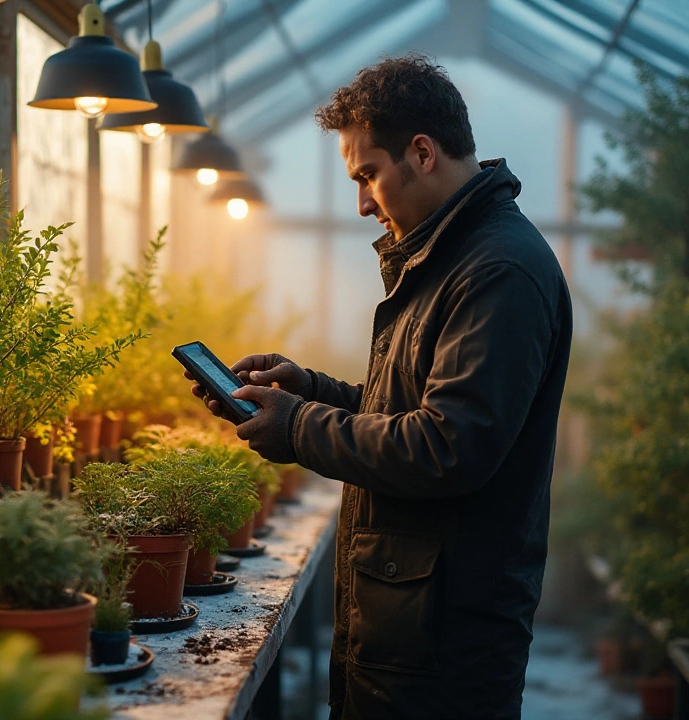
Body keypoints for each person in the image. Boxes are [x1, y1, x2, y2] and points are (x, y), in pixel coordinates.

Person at [189, 55, 572, 720]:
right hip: (409, 628)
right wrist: (305, 388)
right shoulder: (448, 257)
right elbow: (406, 408)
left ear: (422, 153)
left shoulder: (498, 271)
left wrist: (297, 425)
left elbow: (446, 446)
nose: (362, 202)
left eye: (368, 175)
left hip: (443, 657)